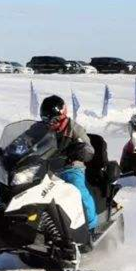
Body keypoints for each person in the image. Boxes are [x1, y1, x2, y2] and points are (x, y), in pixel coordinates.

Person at [39, 95, 98, 232]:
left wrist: (79, 150)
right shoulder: (40, 129)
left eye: (52, 120)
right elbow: (25, 141)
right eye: (45, 119)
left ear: (62, 116)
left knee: (77, 189)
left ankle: (91, 225)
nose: (49, 123)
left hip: (69, 168)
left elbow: (89, 149)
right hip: (45, 169)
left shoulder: (74, 129)